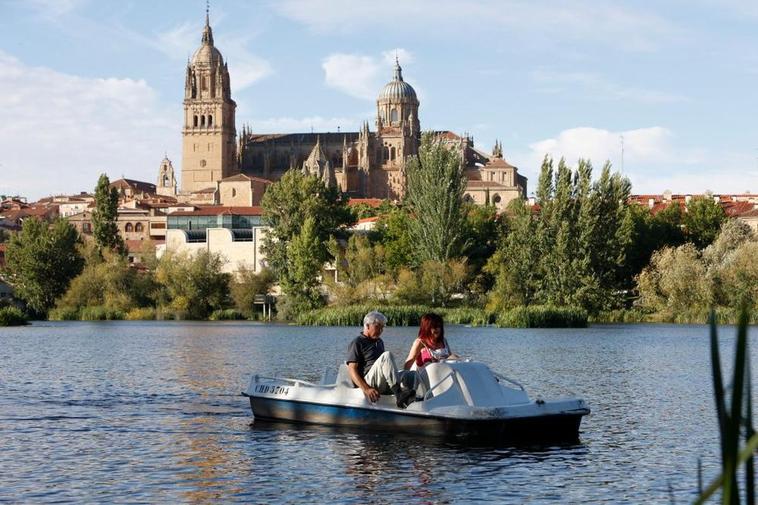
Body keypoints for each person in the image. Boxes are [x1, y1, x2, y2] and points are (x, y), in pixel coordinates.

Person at [346, 311, 417, 408]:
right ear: (367, 326)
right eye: (377, 327)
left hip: (379, 381)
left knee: (410, 374)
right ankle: (399, 394)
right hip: (368, 382)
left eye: (382, 327)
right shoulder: (357, 342)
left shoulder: (379, 342)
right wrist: (366, 389)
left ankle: (415, 399)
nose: (380, 330)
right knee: (386, 355)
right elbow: (351, 370)